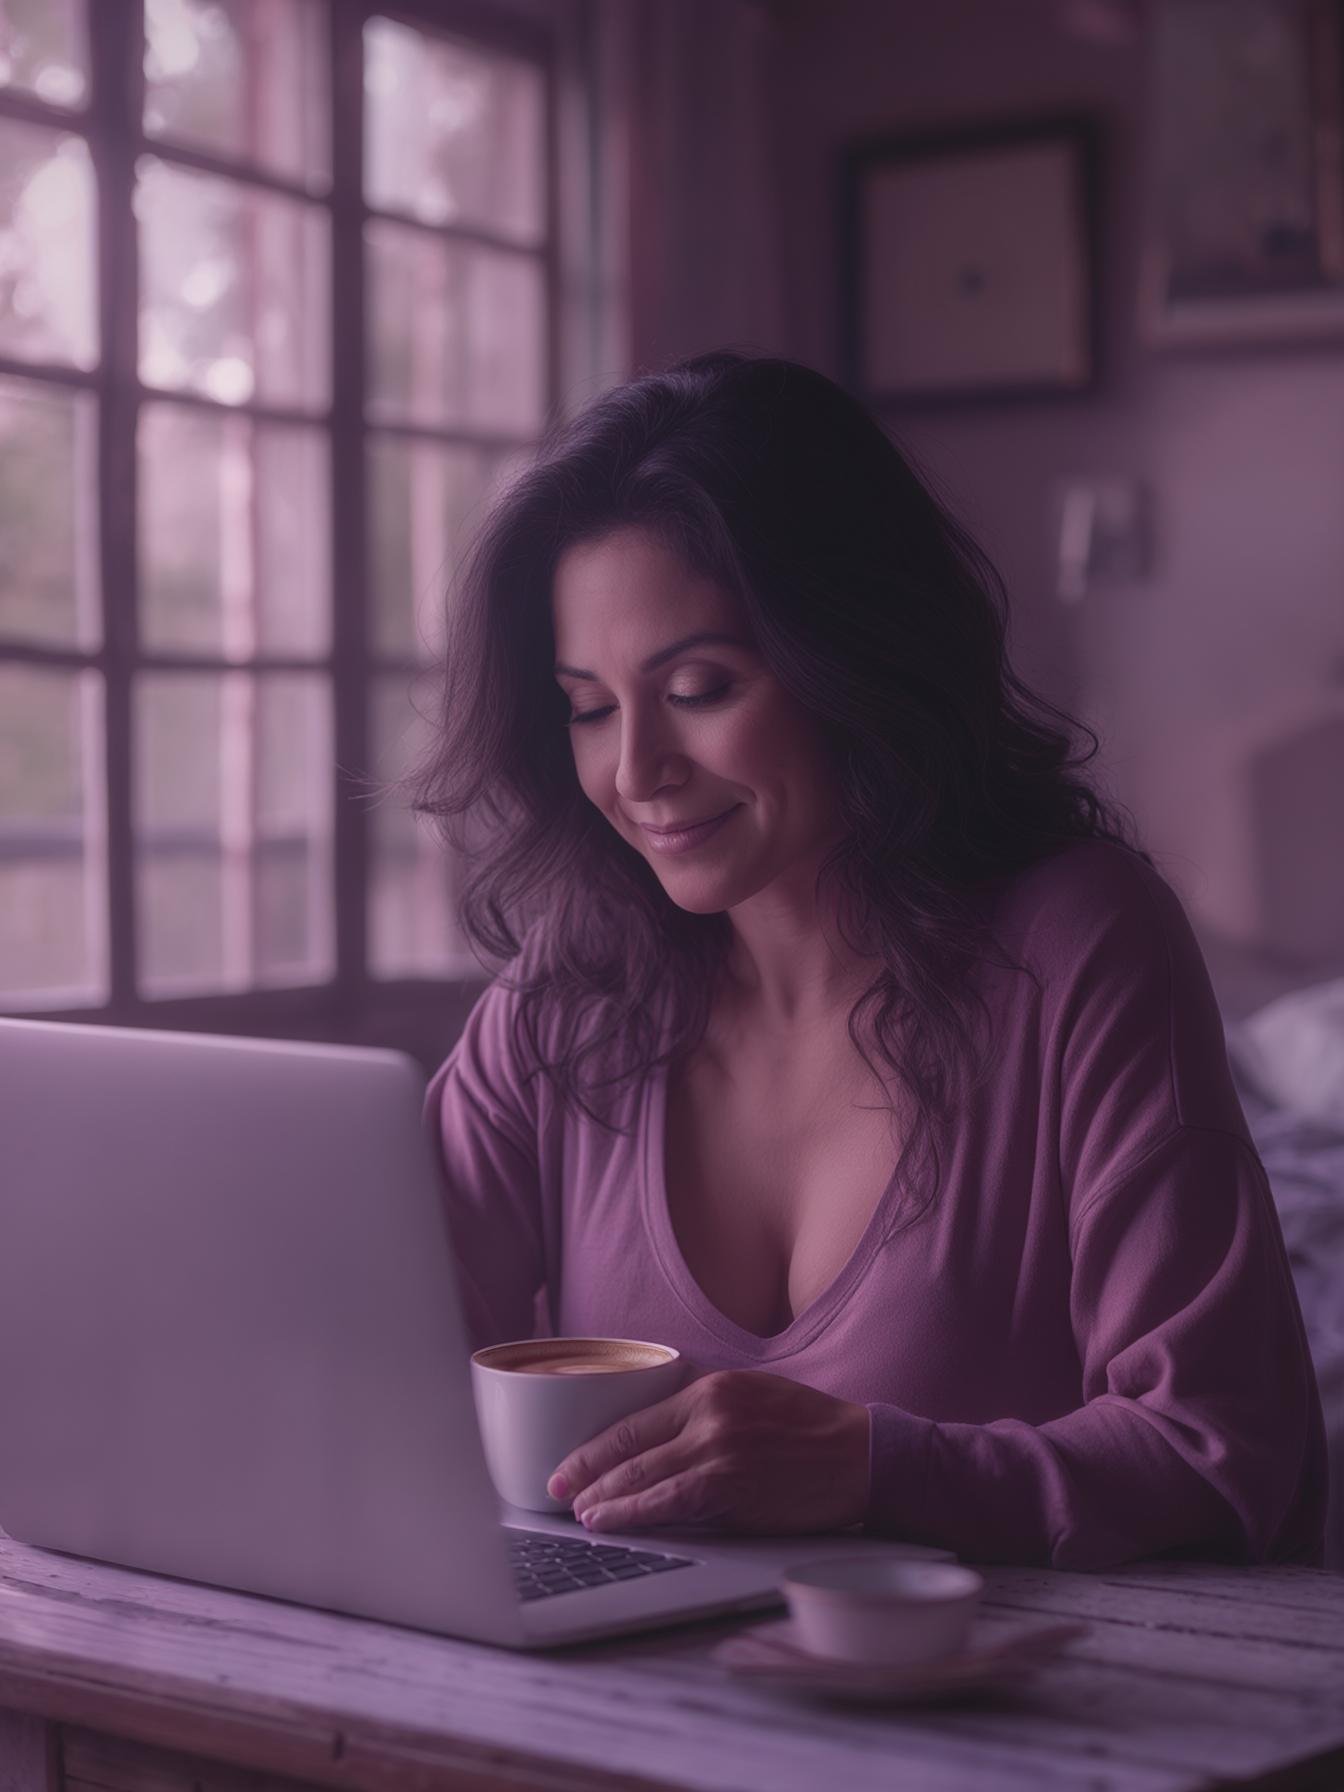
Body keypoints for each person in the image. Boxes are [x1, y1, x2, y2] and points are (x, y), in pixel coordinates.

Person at [410, 349, 1326, 1569]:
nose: (635, 771)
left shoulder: (1077, 944)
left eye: (698, 686)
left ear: (854, 660)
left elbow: (1225, 1452)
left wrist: (868, 1464)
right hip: (613, 1712)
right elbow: (373, 1346)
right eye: (589, 705)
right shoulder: (568, 994)